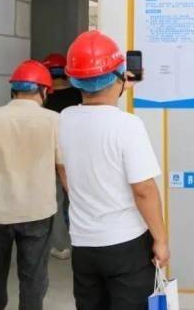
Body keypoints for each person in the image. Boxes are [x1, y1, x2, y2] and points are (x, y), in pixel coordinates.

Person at [59, 30, 169, 310]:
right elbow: (143, 190)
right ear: (117, 76)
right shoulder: (128, 125)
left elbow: (65, 169)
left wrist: (117, 84)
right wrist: (161, 239)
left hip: (84, 246)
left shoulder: (65, 119)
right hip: (125, 246)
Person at [0, 60, 65, 310]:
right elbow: (63, 168)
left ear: (13, 90)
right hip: (37, 213)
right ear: (44, 91)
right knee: (33, 278)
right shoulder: (54, 120)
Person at [42, 52, 82, 261]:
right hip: (78, 156)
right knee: (77, 199)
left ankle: (61, 245)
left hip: (51, 157)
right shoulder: (79, 94)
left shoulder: (43, 98)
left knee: (56, 201)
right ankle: (81, 241)